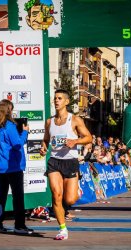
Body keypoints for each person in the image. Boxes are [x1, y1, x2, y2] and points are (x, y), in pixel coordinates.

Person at [40, 89, 92, 240]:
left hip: (70, 162)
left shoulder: (74, 120)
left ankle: (74, 190)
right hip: (54, 161)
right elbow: (46, 139)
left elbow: (89, 138)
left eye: (60, 98)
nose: (56, 101)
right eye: (55, 98)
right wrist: (44, 148)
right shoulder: (49, 121)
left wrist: (75, 141)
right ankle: (62, 229)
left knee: (69, 200)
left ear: (67, 102)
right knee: (56, 195)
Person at [0, 99, 32, 235]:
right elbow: (18, 143)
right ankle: (19, 225)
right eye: (11, 110)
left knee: (1, 195)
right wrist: (24, 132)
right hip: (12, 165)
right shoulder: (9, 126)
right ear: (8, 111)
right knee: (17, 196)